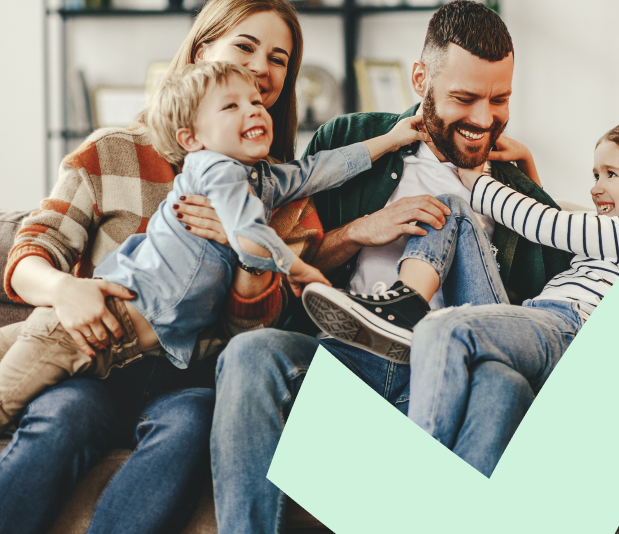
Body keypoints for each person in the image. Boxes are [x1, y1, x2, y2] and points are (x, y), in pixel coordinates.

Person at [210, 0, 572, 533]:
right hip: (344, 357)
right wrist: (359, 231)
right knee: (249, 353)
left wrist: (534, 184)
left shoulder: (513, 184)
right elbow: (289, 268)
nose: (483, 119)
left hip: (446, 374)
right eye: (464, 98)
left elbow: (556, 311)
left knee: (505, 384)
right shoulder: (351, 138)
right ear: (421, 79)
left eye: (500, 100)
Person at [0, 0, 316, 534]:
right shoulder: (113, 149)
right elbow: (33, 250)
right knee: (63, 417)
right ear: (199, 52)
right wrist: (63, 289)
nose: (261, 68)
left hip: (186, 377)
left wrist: (245, 247)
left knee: (191, 425)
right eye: (245, 46)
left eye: (278, 59)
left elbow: (251, 333)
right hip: (96, 361)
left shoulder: (277, 193)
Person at [0, 60, 426, 427]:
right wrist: (301, 270)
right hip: (92, 326)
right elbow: (248, 235)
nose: (254, 109)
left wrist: (391, 139)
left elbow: (318, 168)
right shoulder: (215, 169)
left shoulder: (259, 178)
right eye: (232, 105)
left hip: (115, 343)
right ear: (192, 139)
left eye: (257, 101)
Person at [404, 118, 619, 466]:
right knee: (498, 385)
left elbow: (546, 225)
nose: (595, 187)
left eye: (611, 174)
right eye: (596, 175)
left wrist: (477, 180)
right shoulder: (614, 235)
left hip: (571, 329)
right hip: (542, 323)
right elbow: (556, 233)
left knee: (443, 328)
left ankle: (414, 479)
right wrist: (528, 164)